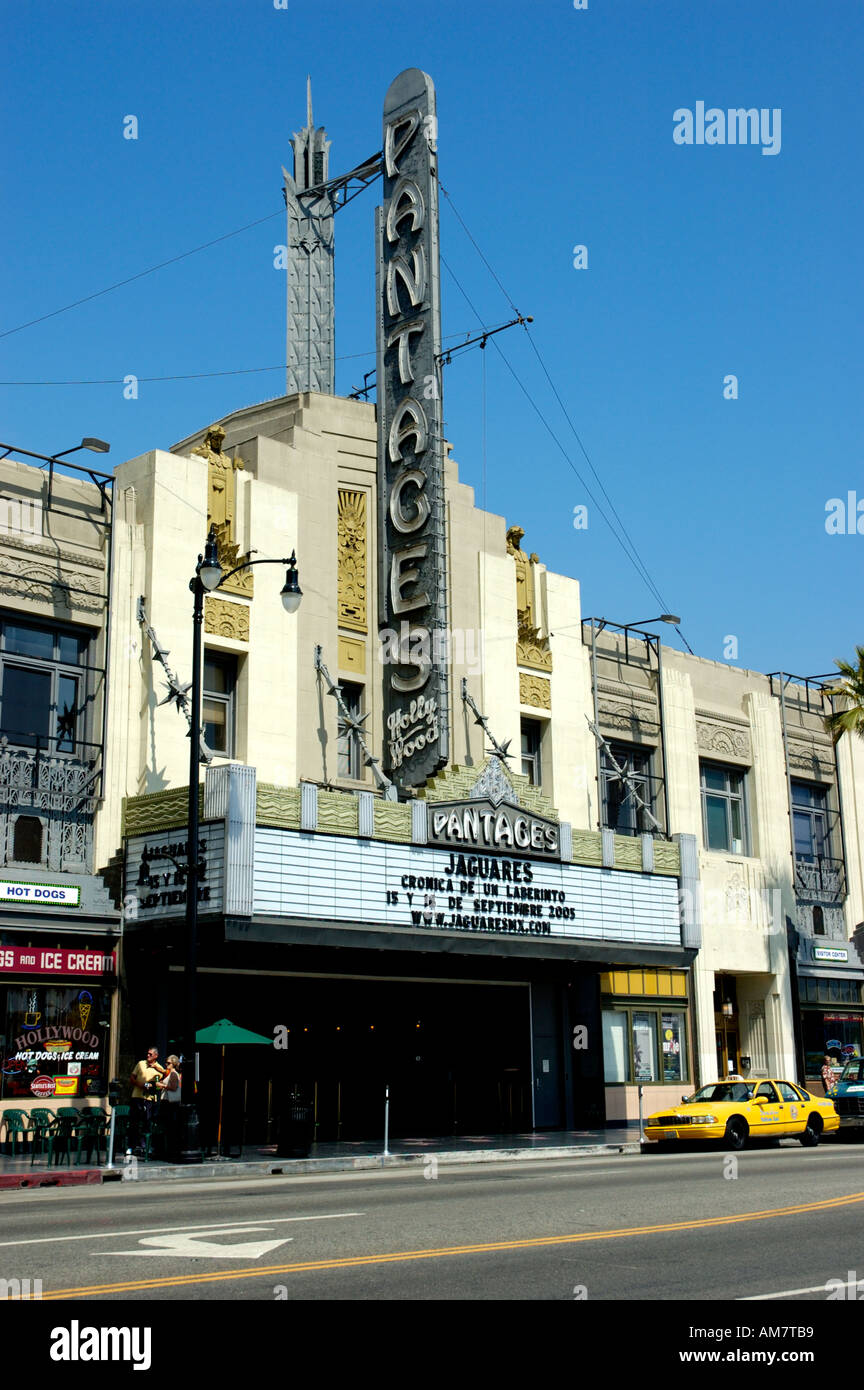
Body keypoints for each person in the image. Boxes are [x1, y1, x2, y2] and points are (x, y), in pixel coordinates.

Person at [129, 1046, 165, 1156]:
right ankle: (131, 1146)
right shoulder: (141, 1063)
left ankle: (145, 1145)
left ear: (156, 1056)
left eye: (150, 1054)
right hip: (137, 1096)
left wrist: (153, 1086)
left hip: (149, 1098)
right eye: (148, 1054)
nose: (148, 1056)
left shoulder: (159, 1069)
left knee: (147, 1122)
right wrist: (139, 1084)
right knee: (134, 1122)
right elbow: (132, 1077)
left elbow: (159, 1086)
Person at [157, 1054, 182, 1162]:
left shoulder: (173, 1074)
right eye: (166, 1062)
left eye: (168, 1063)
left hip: (170, 1104)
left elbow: (173, 1087)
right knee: (167, 1128)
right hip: (167, 1103)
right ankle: (167, 1151)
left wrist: (162, 1085)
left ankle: (170, 1152)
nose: (166, 1064)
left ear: (174, 1064)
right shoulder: (170, 1073)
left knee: (170, 1128)